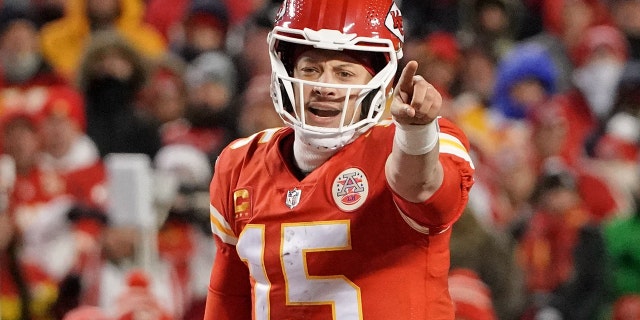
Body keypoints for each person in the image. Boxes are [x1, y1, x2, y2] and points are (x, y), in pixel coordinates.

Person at [203, 0, 476, 319]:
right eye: (311, 68)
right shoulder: (239, 164)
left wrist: (416, 134)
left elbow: (424, 190)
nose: (325, 86)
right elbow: (228, 298)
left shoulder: (418, 142)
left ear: (379, 83)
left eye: (344, 73)